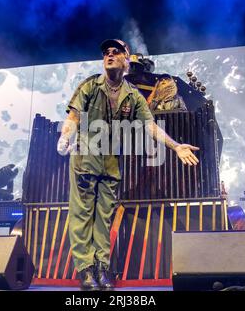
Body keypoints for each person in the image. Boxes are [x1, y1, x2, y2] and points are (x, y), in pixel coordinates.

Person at [57, 39, 199, 290]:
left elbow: (150, 126)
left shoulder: (132, 95)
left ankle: (101, 268)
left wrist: (175, 146)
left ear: (126, 58)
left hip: (111, 164)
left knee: (104, 218)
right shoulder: (90, 85)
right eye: (106, 53)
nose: (110, 56)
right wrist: (65, 135)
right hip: (85, 160)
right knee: (81, 215)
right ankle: (85, 270)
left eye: (116, 52)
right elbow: (74, 116)